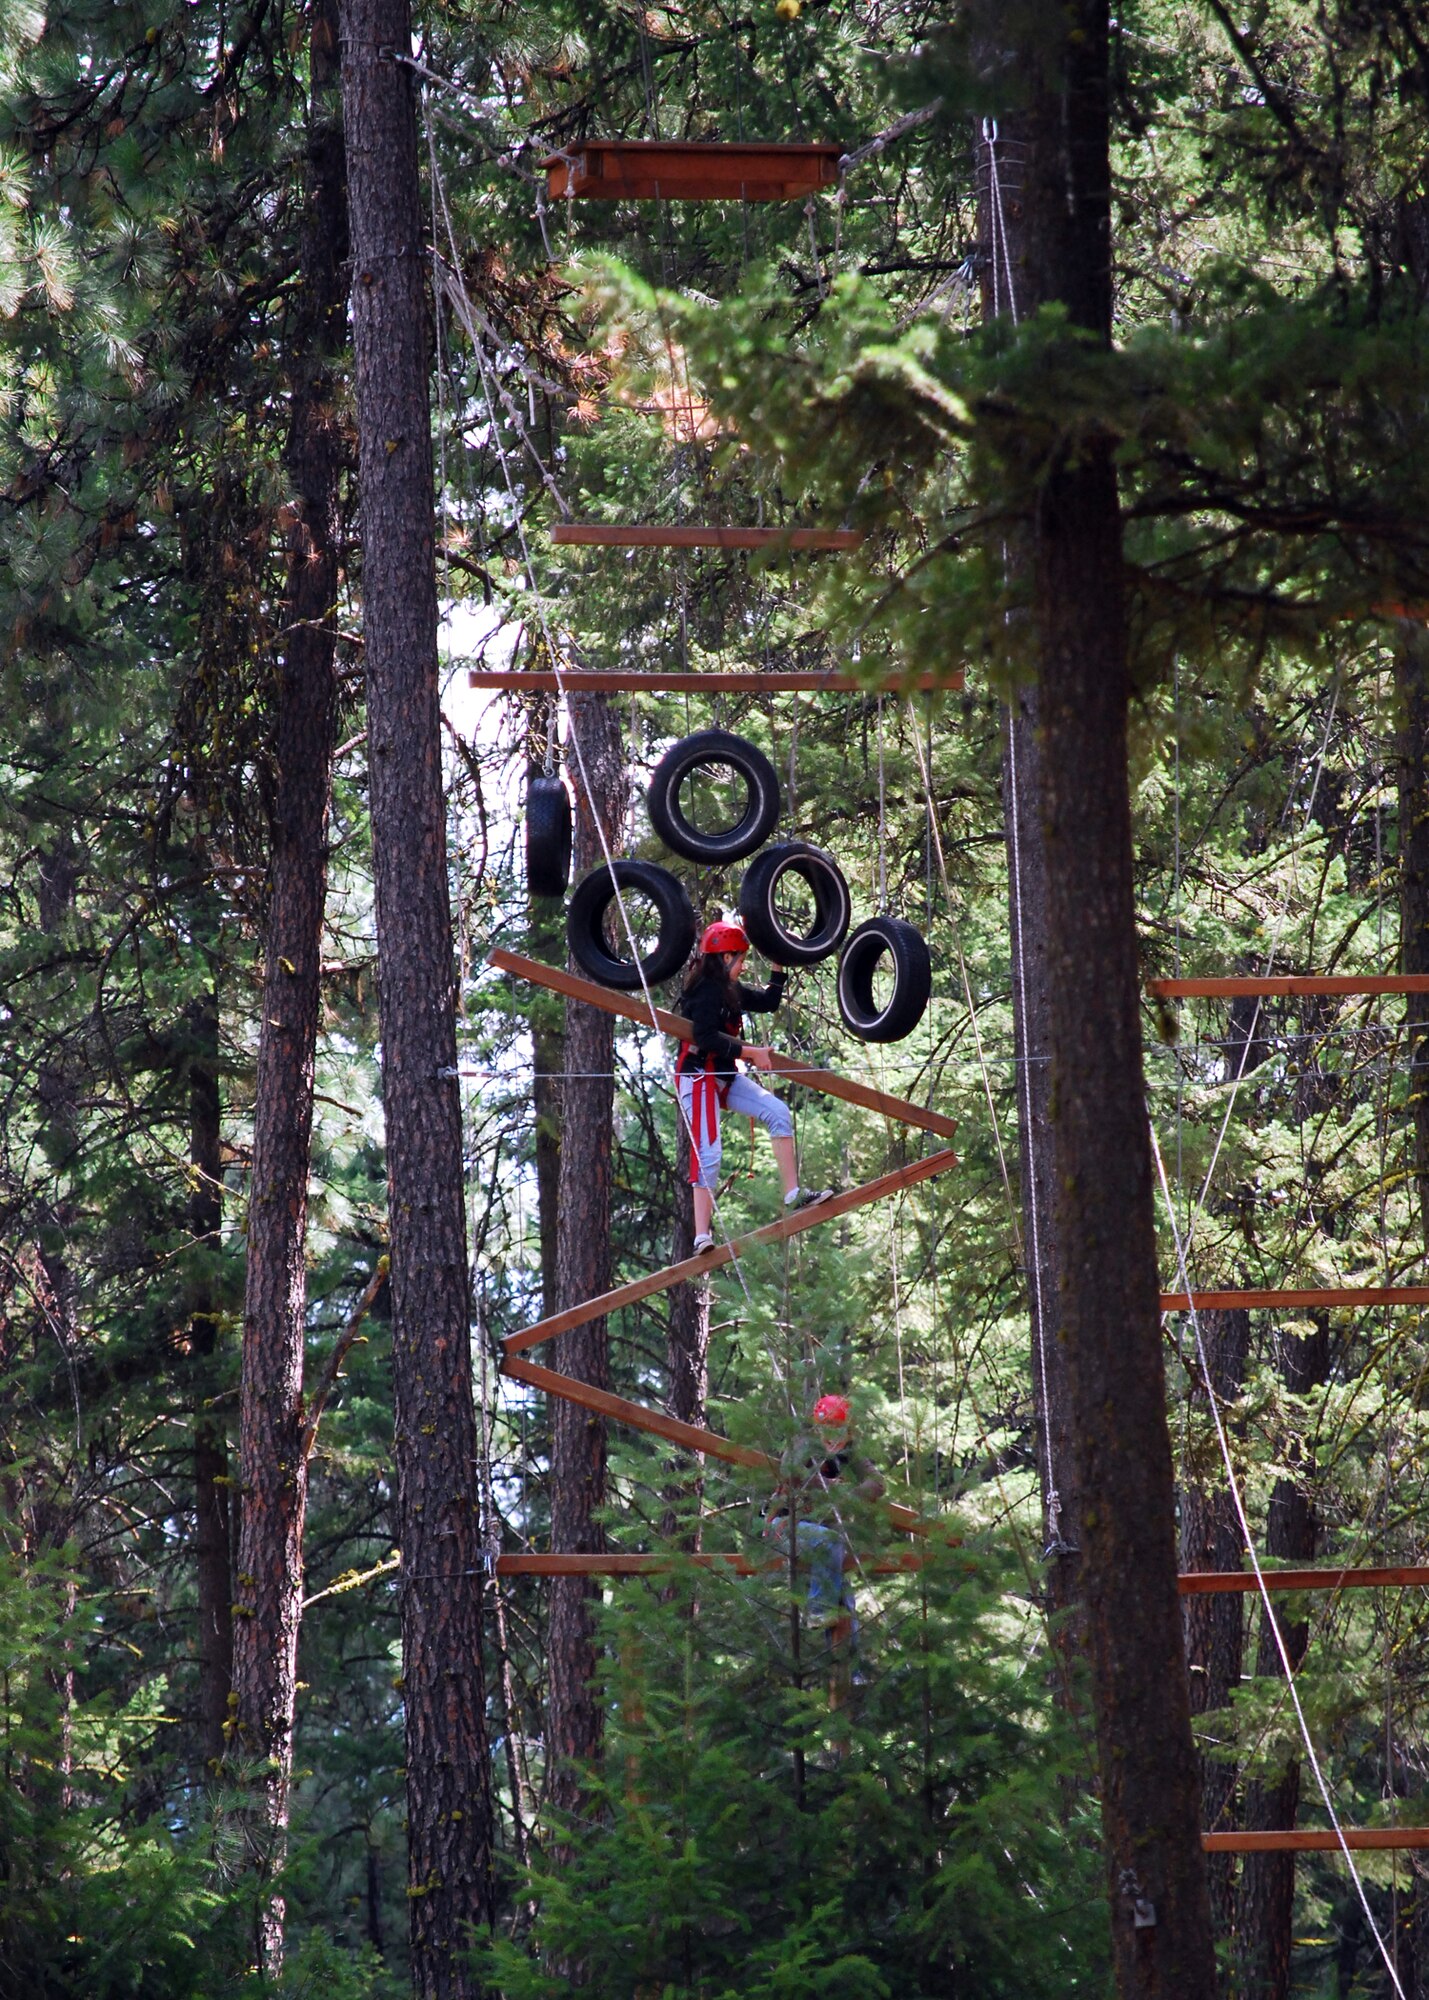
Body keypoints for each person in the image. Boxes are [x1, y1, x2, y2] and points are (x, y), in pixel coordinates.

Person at [675, 920, 832, 1256]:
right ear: (726, 956)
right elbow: (705, 1037)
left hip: (725, 1077)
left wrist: (778, 959)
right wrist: (752, 1053)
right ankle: (701, 1235)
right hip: (699, 1077)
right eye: (741, 959)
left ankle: (793, 1194)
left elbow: (769, 1002)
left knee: (778, 1112)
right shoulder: (704, 990)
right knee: (709, 1153)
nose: (744, 965)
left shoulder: (731, 990)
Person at [763, 1393, 885, 1649]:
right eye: (828, 1428)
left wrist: (846, 1495)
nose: (834, 1435)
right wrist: (823, 1481)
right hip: (787, 1527)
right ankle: (818, 1609)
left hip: (824, 1537)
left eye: (839, 1428)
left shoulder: (850, 1451)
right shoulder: (802, 1445)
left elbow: (877, 1483)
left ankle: (851, 1667)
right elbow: (791, 1474)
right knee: (828, 1540)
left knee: (844, 1596)